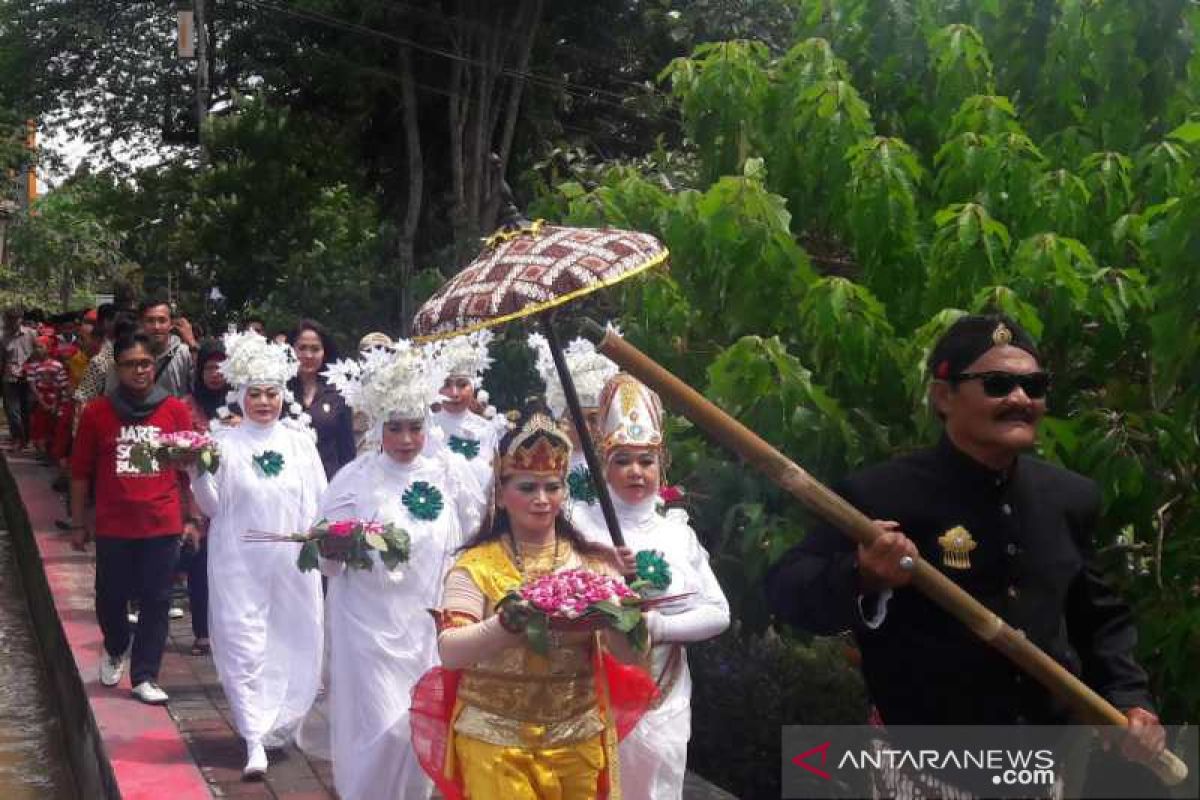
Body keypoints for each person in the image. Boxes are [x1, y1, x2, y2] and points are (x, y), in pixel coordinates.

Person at [765, 314, 1165, 790]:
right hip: (923, 772)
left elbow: (1097, 617)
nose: (1019, 399)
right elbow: (786, 590)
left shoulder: (1068, 499)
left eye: (1033, 386)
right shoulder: (880, 495)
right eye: (997, 384)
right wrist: (860, 574)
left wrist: (1128, 698)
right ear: (943, 396)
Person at [412, 403, 657, 800]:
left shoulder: (593, 563)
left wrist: (620, 615)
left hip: (577, 736)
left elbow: (630, 656)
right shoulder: (476, 565)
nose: (542, 499)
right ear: (502, 495)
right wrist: (507, 624)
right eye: (527, 487)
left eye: (552, 486)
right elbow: (450, 652)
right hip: (493, 737)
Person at [315, 340, 486, 800]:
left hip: (429, 624)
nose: (407, 440)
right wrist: (337, 543)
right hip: (367, 628)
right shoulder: (354, 478)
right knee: (384, 729)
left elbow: (474, 541)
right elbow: (325, 561)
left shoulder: (448, 472)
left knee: (423, 724)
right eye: (395, 429)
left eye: (415, 428)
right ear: (378, 427)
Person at [574, 373, 730, 800]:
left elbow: (718, 613)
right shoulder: (578, 529)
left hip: (665, 691)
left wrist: (654, 626)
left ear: (662, 465)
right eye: (623, 459)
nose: (636, 472)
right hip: (588, 689)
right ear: (604, 464)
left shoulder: (677, 534)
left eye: (646, 460)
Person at [189, 331, 326, 779]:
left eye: (271, 393)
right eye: (255, 394)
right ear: (240, 395)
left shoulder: (300, 442)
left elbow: (320, 499)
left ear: (282, 395)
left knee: (289, 639)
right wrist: (196, 470)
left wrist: (320, 544)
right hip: (238, 559)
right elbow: (212, 506)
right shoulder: (224, 442)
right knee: (242, 642)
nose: (264, 402)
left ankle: (279, 720)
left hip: (290, 559)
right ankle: (253, 738)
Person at [69, 331, 194, 705]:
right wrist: (78, 522)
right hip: (113, 524)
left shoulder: (174, 410)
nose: (139, 370)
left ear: (153, 366)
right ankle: (116, 646)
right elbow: (80, 471)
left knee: (156, 599)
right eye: (130, 364)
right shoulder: (97, 413)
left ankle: (145, 675)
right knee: (110, 596)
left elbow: (188, 470)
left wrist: (191, 517)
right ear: (117, 368)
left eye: (145, 363)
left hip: (162, 522)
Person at [178, 338, 236, 658]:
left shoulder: (241, 407)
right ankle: (202, 631)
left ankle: (227, 631)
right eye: (209, 367)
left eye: (221, 367)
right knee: (200, 566)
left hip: (233, 498)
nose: (215, 373)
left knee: (231, 569)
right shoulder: (186, 406)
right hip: (196, 500)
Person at [527, 332, 619, 515]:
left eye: (593, 418)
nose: (585, 427)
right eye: (576, 418)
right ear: (560, 419)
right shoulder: (543, 464)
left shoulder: (615, 463)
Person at [426, 330, 502, 487]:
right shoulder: (427, 427)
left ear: (473, 387)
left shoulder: (486, 429)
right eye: (446, 385)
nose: (454, 394)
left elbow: (494, 481)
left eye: (462, 385)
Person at [288, 319, 354, 478]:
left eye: (315, 349)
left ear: (324, 352)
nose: (308, 355)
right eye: (302, 348)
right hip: (289, 481)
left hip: (329, 481)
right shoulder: (278, 391)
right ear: (291, 350)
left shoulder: (339, 392)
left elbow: (346, 449)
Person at [137, 291, 194, 397]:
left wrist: (192, 344)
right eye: (150, 321)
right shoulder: (132, 355)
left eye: (162, 320)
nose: (156, 327)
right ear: (140, 323)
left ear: (171, 324)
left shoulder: (184, 354)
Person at [351, 331, 394, 455]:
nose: (379, 357)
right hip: (362, 463)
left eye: (386, 352)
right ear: (361, 359)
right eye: (372, 352)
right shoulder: (349, 394)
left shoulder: (402, 392)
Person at [1, 306, 38, 451]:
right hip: (9, 378)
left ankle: (28, 439)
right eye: (9, 319)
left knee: (27, 409)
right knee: (12, 410)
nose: (11, 322)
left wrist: (29, 368)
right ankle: (17, 438)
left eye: (14, 319)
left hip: (28, 377)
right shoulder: (2, 337)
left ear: (20, 320)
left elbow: (38, 353)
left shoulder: (31, 334)